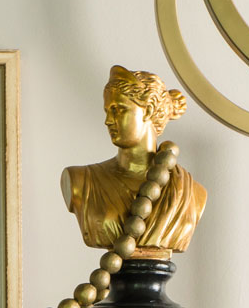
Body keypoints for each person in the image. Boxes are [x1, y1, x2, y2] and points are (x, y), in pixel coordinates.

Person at [60, 65, 207, 258]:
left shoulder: (190, 192)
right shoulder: (80, 181)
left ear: (149, 110)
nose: (108, 120)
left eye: (118, 110)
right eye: (107, 111)